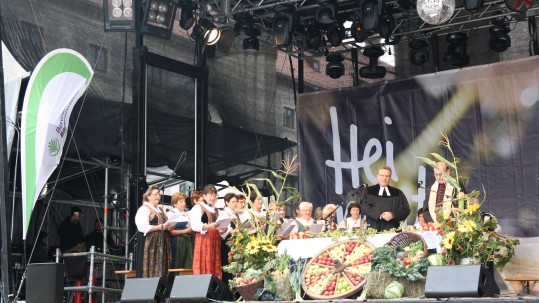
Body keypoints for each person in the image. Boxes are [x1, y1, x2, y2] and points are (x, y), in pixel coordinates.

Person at [135, 185, 173, 279]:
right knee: (152, 267)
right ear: (148, 196)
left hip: (162, 242)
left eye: (159, 194)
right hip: (151, 243)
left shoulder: (160, 209)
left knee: (163, 267)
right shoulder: (144, 209)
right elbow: (142, 227)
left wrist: (169, 227)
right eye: (155, 194)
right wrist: (159, 227)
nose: (158, 196)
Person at [360, 166, 411, 232]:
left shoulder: (397, 193)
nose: (384, 178)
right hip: (373, 229)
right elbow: (363, 206)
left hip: (393, 229)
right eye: (382, 175)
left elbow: (405, 209)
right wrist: (380, 215)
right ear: (377, 176)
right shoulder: (368, 191)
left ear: (390, 178)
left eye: (387, 176)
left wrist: (393, 214)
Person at [189, 184, 224, 279]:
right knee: (205, 261)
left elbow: (220, 226)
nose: (212, 197)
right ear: (204, 196)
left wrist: (222, 229)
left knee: (214, 263)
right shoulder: (198, 207)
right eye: (210, 195)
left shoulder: (217, 210)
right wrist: (209, 226)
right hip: (204, 239)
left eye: (214, 195)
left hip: (215, 239)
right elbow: (195, 226)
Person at [168, 192, 193, 269]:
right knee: (177, 263)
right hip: (177, 242)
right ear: (175, 204)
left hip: (188, 241)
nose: (184, 203)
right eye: (181, 202)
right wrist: (185, 231)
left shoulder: (187, 214)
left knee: (188, 263)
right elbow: (170, 232)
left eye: (184, 201)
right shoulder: (171, 214)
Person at [220, 193, 239, 287]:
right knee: (228, 265)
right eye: (233, 202)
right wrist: (232, 231)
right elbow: (224, 228)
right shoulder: (224, 213)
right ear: (227, 202)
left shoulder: (235, 214)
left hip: (235, 243)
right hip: (227, 243)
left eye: (236, 202)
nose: (235, 204)